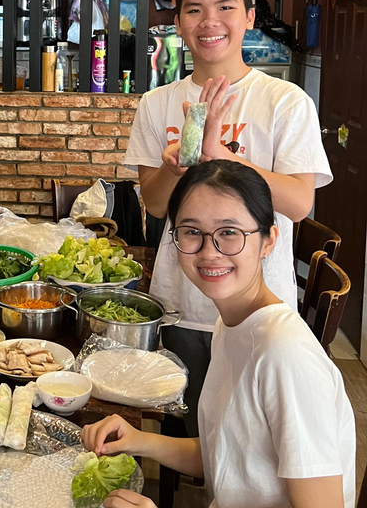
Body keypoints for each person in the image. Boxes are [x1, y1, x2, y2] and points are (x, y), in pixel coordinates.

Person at [81, 161, 356, 508]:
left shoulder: (286, 355)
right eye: (191, 231)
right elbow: (225, 457)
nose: (209, 252)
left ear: (268, 240)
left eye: (229, 232)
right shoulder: (231, 325)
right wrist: (137, 440)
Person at [122, 0, 333, 435]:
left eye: (226, 7)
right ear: (178, 22)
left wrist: (223, 159)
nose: (210, 22)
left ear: (250, 17)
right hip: (182, 303)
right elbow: (156, 203)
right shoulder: (158, 103)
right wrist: (173, 167)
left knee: (251, 445)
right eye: (195, 10)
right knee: (192, 440)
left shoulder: (284, 101)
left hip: (258, 311)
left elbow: (298, 202)